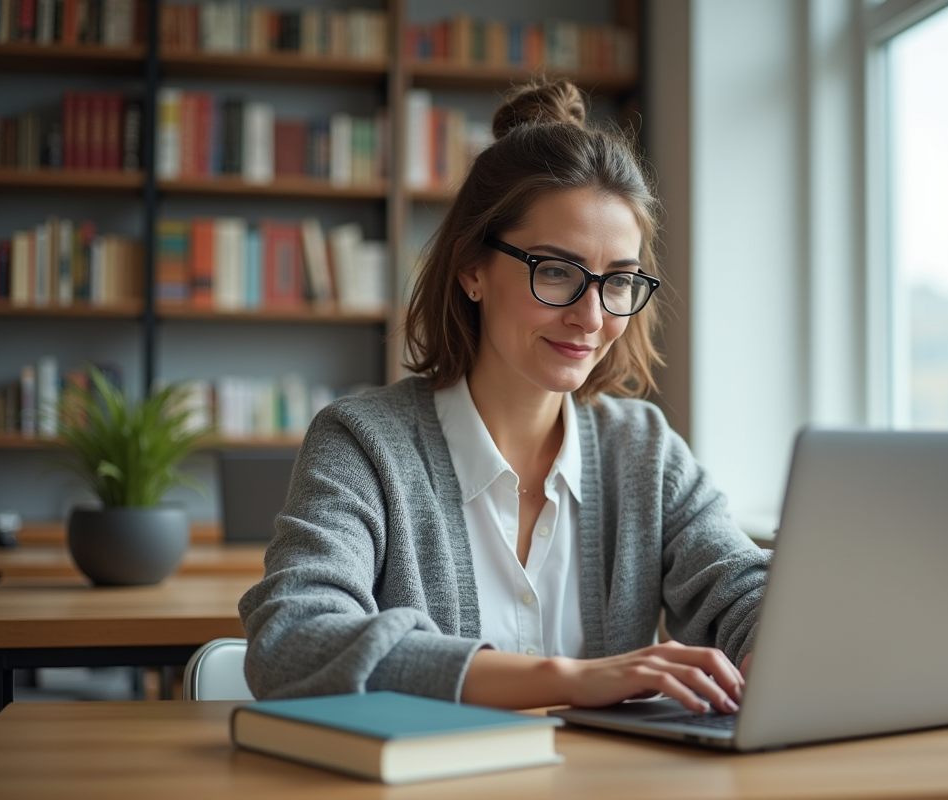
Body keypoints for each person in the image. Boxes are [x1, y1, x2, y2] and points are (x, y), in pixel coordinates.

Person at [238, 79, 772, 715]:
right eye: (555, 272)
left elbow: (744, 592)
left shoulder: (644, 450)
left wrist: (778, 647)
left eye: (620, 282)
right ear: (472, 269)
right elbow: (292, 641)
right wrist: (568, 680)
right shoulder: (362, 444)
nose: (592, 316)